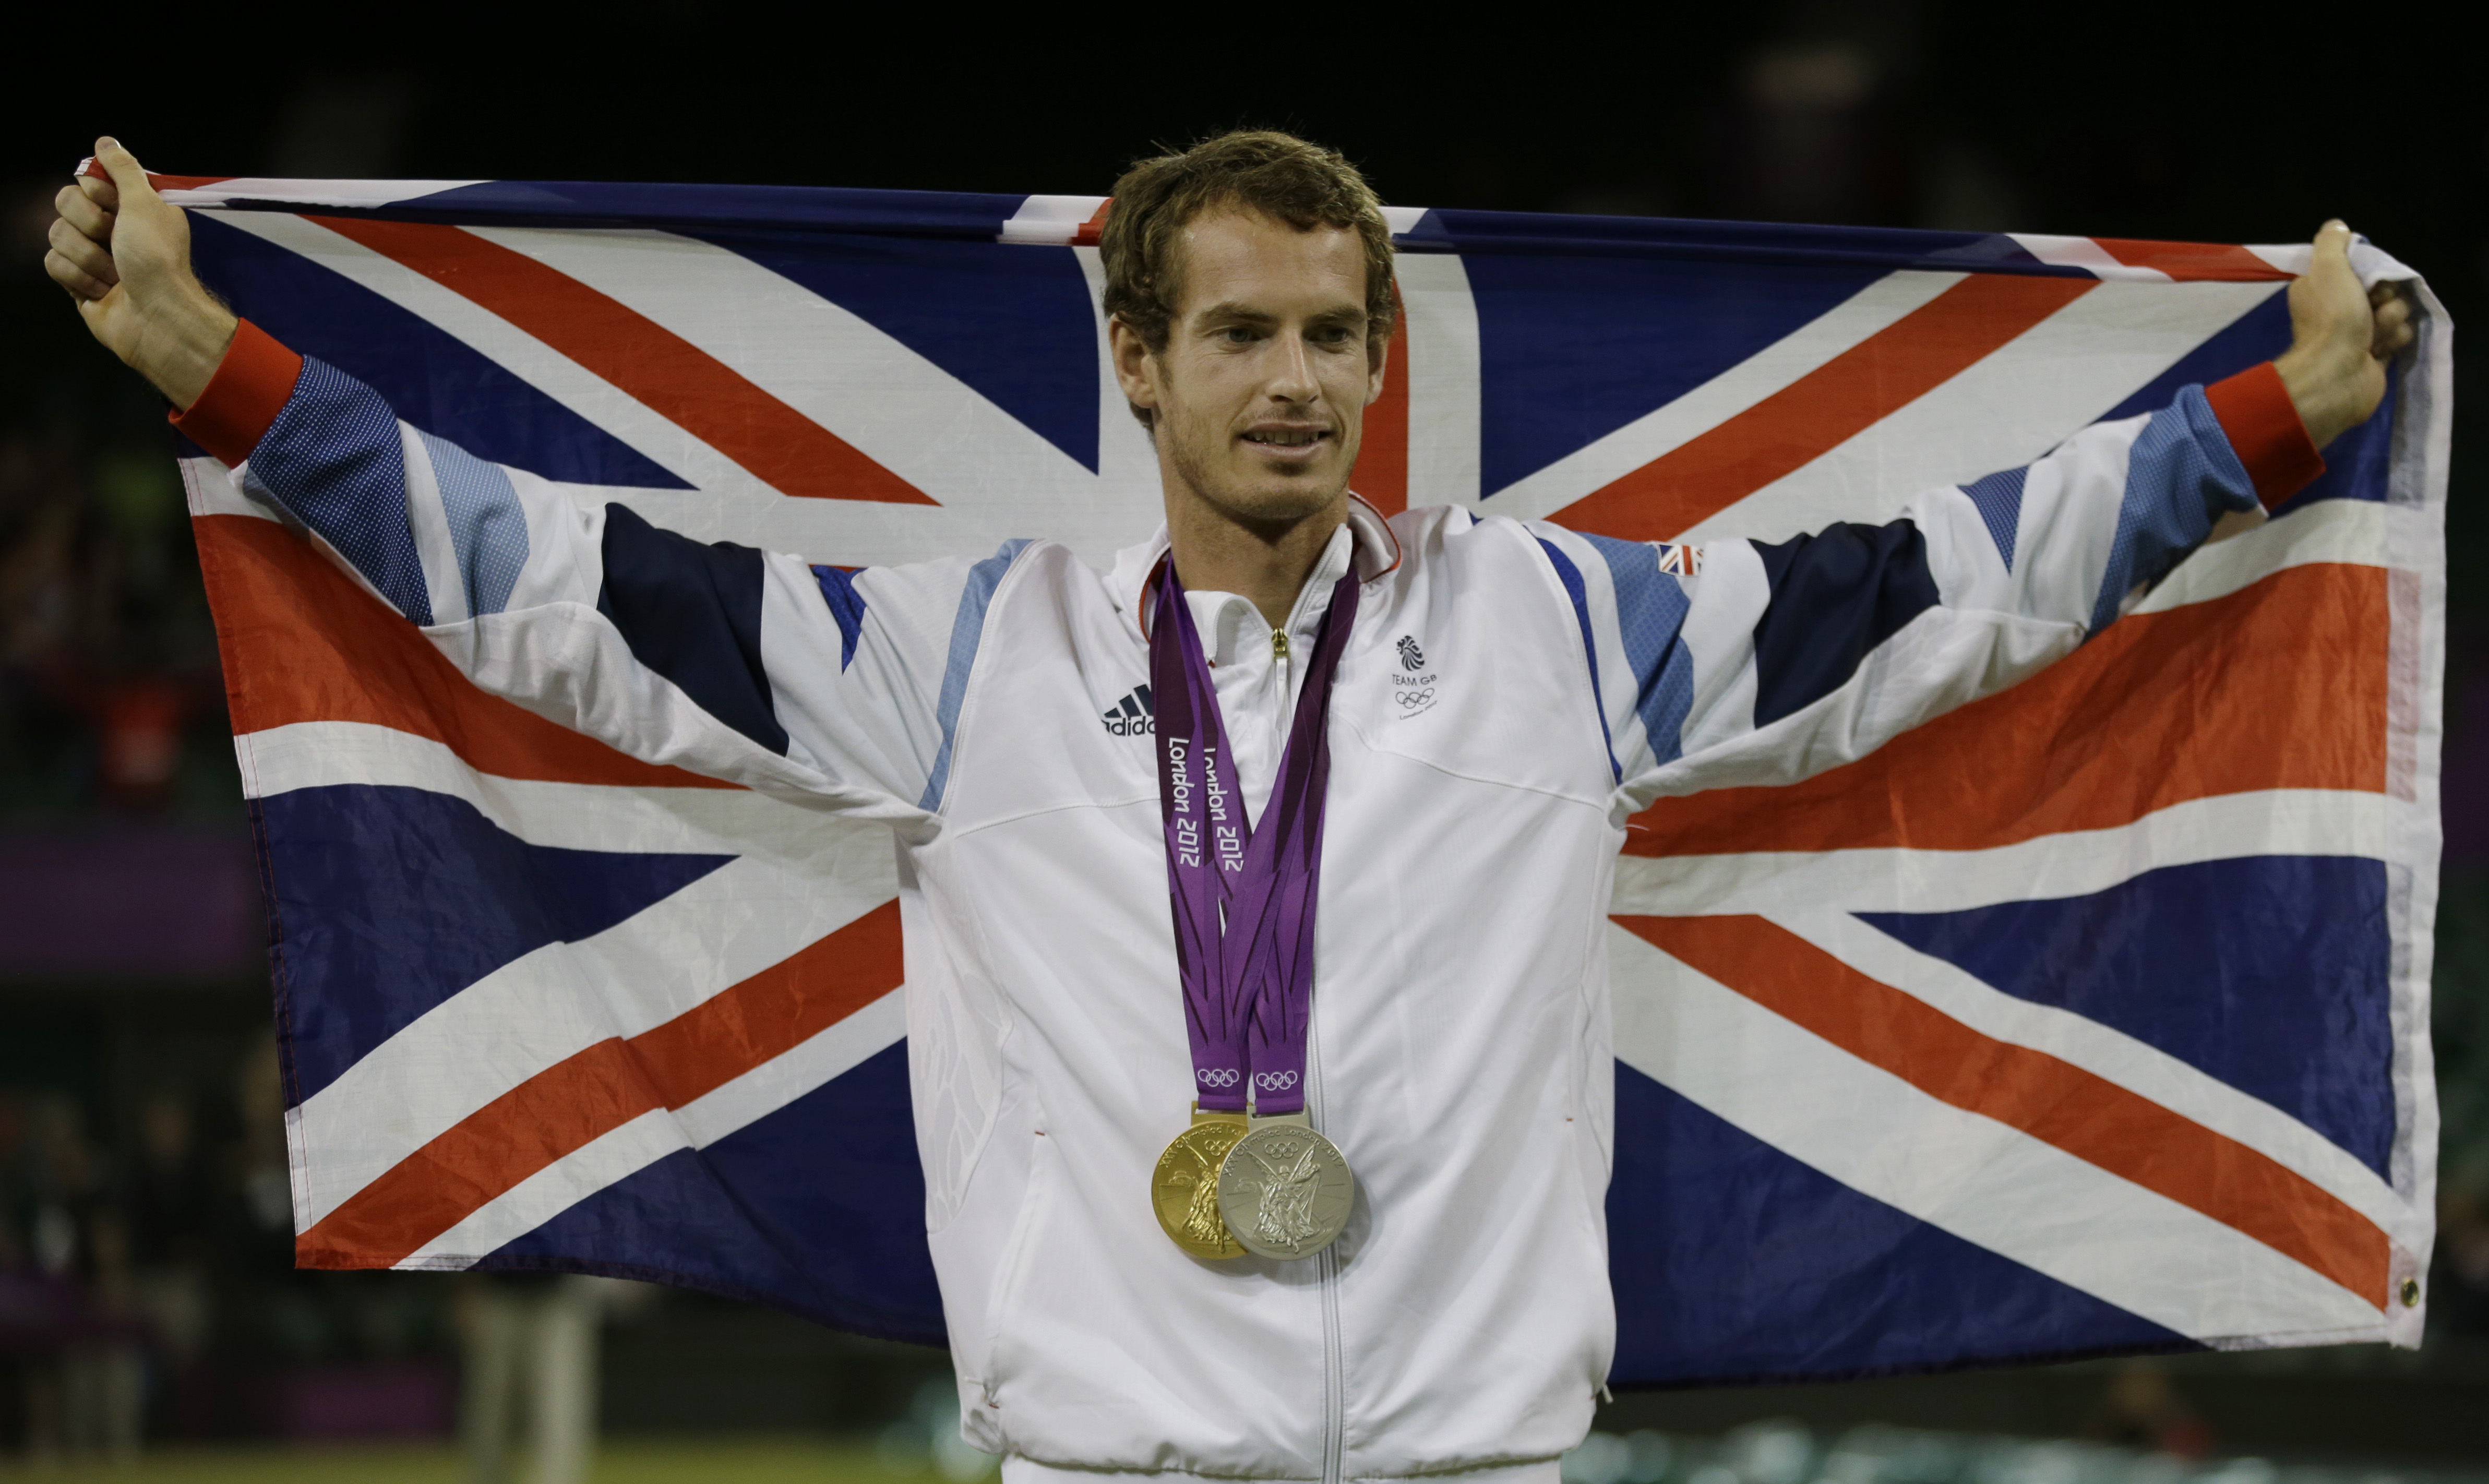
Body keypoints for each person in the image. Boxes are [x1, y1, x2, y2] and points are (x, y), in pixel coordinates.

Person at [45, 130, 2413, 1483]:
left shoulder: (1557, 637)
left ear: (1386, 361)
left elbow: (1939, 591)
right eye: (1245, 334)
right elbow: (560, 582)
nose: (1296, 382)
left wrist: (2268, 423)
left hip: (1479, 1466)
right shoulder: (958, 665)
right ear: (1140, 361)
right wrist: (218, 369)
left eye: (1335, 335)